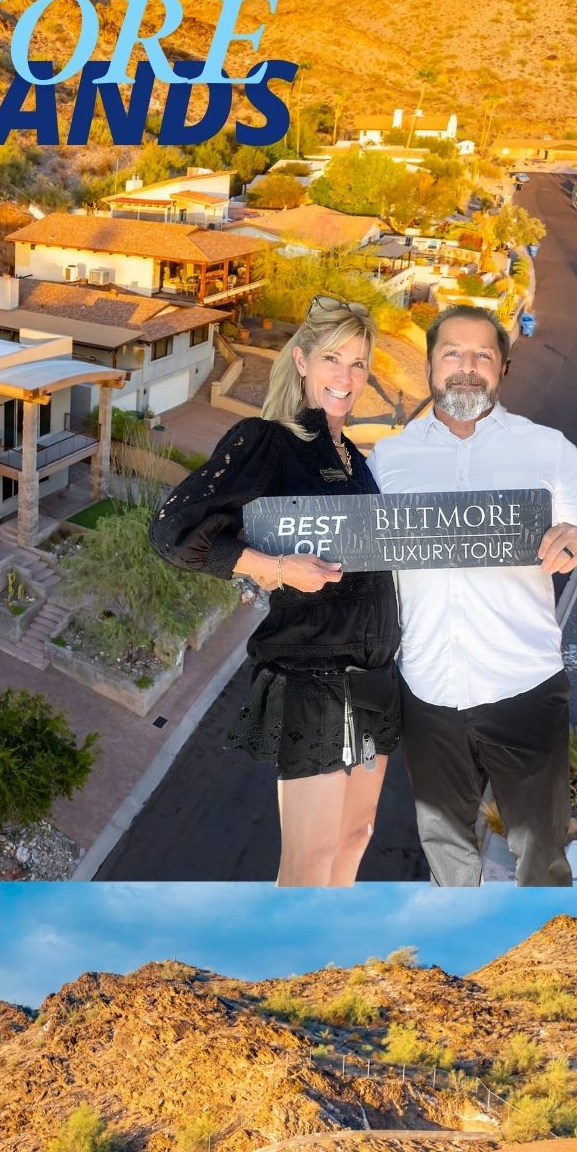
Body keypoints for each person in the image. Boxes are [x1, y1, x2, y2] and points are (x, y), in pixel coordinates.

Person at [149, 295, 400, 886]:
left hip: (374, 675)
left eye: (358, 364)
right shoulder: (268, 441)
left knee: (356, 836)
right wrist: (276, 567)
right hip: (315, 674)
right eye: (333, 358)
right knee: (310, 859)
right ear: (303, 362)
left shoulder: (353, 457)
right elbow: (171, 531)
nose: (346, 376)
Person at [370, 304, 577, 887]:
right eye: (452, 353)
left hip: (524, 689)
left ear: (503, 367)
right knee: (446, 851)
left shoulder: (547, 449)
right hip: (428, 692)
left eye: (482, 354)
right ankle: (461, 939)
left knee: (541, 855)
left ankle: (541, 942)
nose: (467, 366)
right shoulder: (389, 460)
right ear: (430, 365)